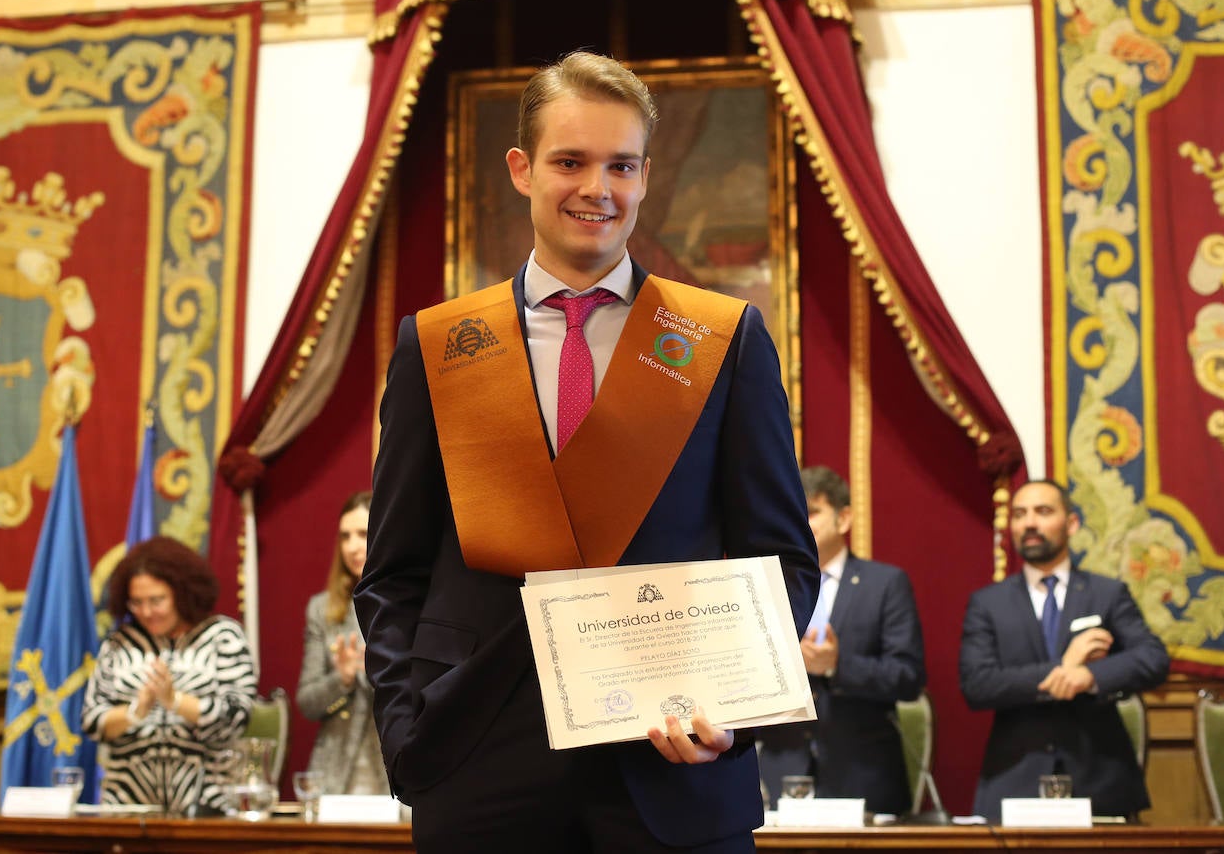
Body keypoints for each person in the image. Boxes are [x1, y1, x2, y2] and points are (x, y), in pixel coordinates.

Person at [356, 51, 818, 853]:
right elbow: (393, 571)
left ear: (645, 177)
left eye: (621, 165)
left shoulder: (723, 339)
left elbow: (781, 559)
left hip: (672, 767)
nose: (597, 188)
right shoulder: (436, 346)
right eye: (570, 161)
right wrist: (408, 726)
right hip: (476, 766)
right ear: (522, 169)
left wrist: (730, 712)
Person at [959, 480, 1169, 821]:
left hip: (1100, 780)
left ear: (1071, 524)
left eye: (1043, 512)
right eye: (1019, 514)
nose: (1029, 523)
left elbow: (1153, 659)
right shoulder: (988, 603)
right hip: (1014, 780)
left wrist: (1087, 676)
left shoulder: (1107, 594)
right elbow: (977, 684)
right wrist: (1062, 668)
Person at [756, 466, 925, 813]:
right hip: (777, 773)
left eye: (813, 512)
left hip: (862, 776)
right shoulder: (763, 586)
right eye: (794, 512)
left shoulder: (886, 584)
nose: (800, 522)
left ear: (844, 518)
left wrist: (837, 665)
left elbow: (908, 678)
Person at [82, 536, 257, 814]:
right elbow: (92, 721)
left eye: (157, 600)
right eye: (136, 603)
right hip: (128, 806)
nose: (147, 612)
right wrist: (135, 711)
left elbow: (236, 717)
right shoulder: (120, 644)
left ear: (182, 592)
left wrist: (174, 700)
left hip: (206, 807)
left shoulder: (223, 638)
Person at [295, 491, 388, 794]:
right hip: (335, 776)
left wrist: (372, 672)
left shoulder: (407, 606)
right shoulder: (322, 609)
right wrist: (343, 678)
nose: (351, 546)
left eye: (362, 534)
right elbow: (307, 703)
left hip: (392, 771)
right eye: (345, 536)